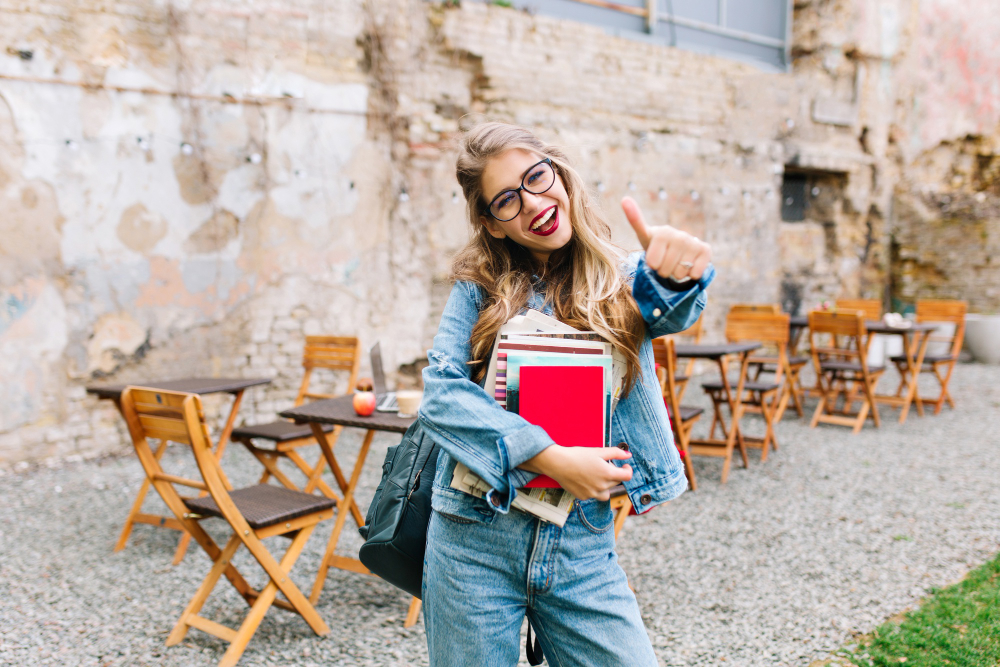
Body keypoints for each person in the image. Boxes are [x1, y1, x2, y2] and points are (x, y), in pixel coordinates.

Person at [417, 122, 714, 666]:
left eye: (536, 177)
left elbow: (668, 308)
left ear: (560, 173)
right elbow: (440, 394)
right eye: (507, 199)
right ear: (492, 223)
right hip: (473, 540)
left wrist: (676, 277)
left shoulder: (623, 278)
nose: (532, 202)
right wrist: (548, 457)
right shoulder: (478, 286)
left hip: (580, 542)